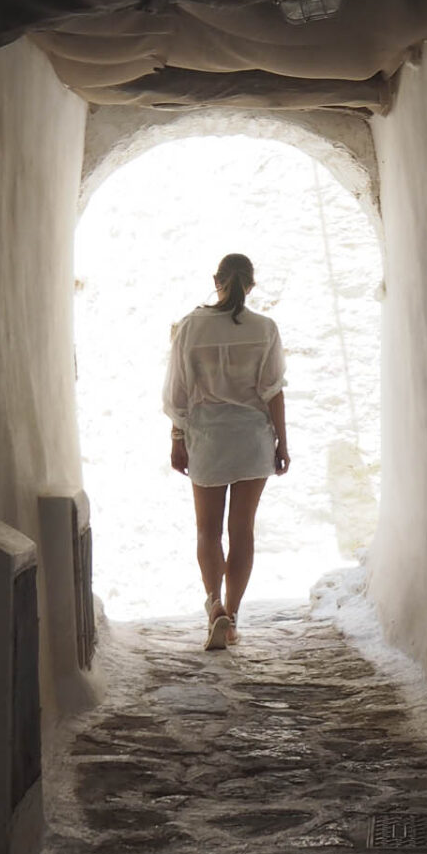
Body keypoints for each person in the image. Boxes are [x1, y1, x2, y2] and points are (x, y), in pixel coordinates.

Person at [163, 253, 290, 650]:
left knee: (207, 530)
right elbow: (273, 391)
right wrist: (282, 442)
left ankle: (214, 606)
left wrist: (177, 439)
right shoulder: (264, 329)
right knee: (242, 531)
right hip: (252, 439)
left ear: (215, 280)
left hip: (208, 439)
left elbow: (178, 394)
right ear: (250, 286)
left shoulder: (190, 327)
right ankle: (232, 618)